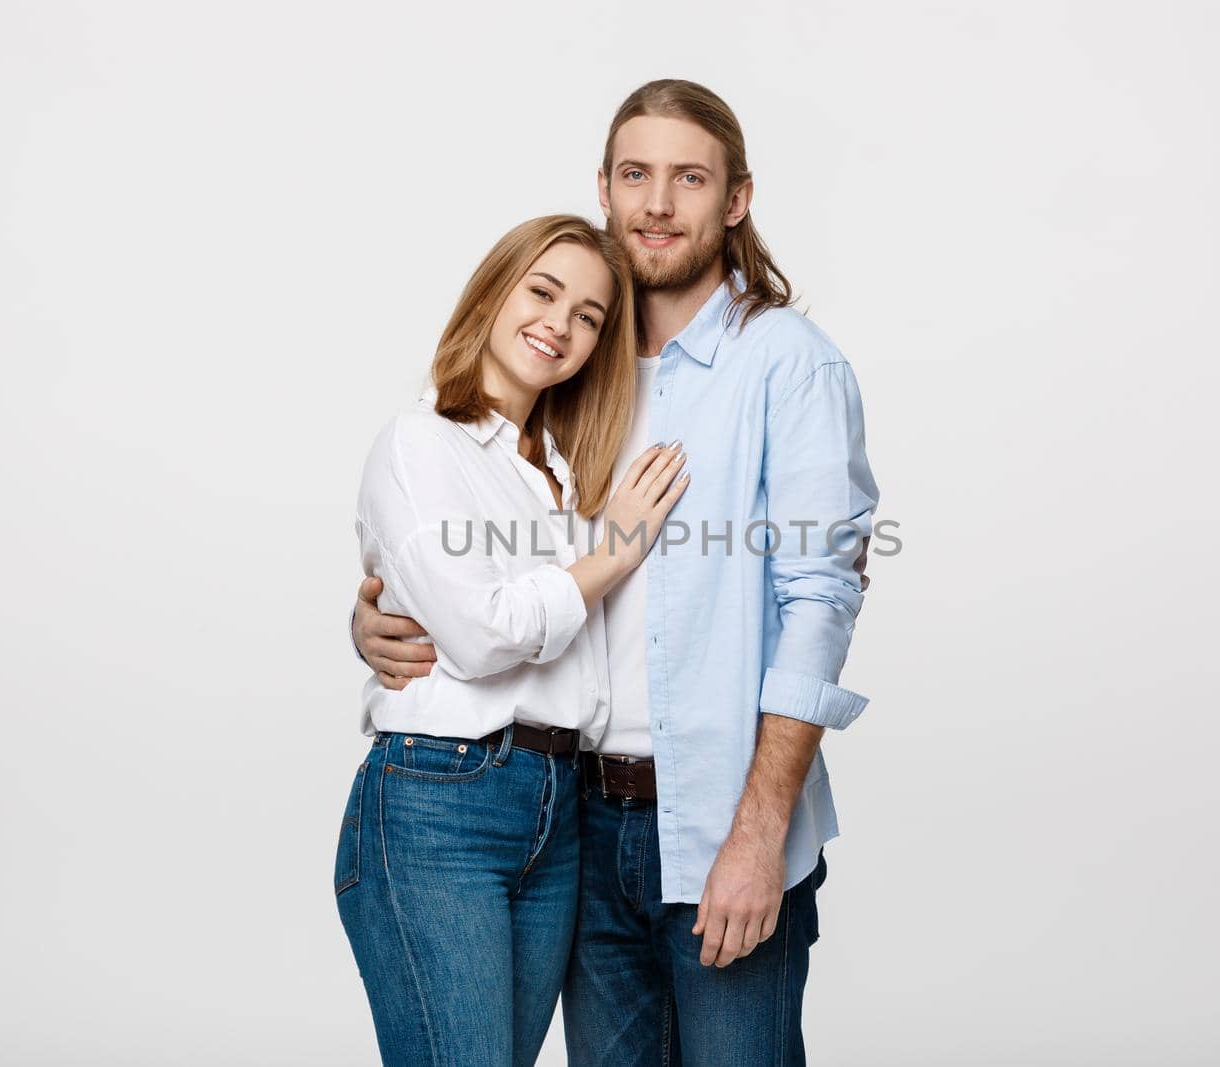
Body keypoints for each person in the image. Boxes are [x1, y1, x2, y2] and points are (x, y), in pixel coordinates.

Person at [352, 80, 879, 1065]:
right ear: (603, 186)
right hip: (577, 828)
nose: (657, 202)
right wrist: (378, 612)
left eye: (689, 178)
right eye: (635, 173)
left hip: (724, 820)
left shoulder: (788, 364)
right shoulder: (571, 370)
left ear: (735, 199)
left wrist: (759, 831)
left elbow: (819, 598)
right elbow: (480, 549)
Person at [333, 213, 690, 1067]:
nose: (560, 325)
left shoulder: (562, 472)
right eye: (543, 292)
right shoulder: (420, 441)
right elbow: (482, 633)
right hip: (441, 800)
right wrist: (617, 552)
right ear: (494, 293)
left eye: (591, 316)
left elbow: (565, 639)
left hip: (559, 807)